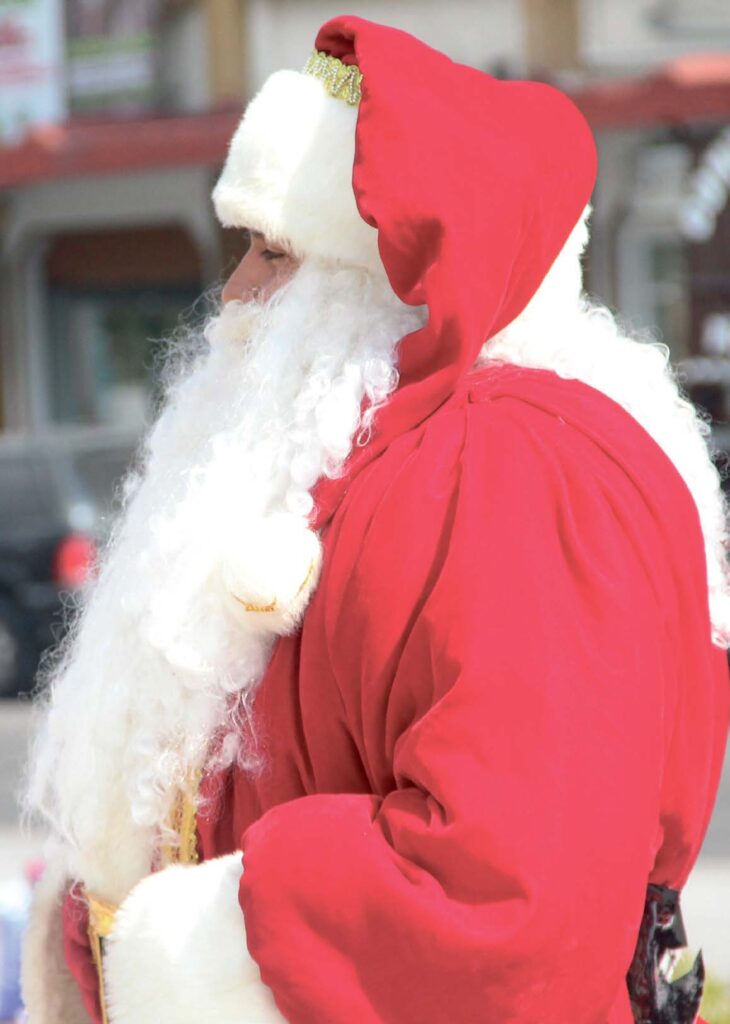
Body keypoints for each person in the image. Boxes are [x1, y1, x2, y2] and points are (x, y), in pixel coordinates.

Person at [21, 15, 729, 1024]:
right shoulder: (379, 458)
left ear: (398, 280)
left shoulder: (510, 467)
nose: (233, 295)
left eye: (271, 252)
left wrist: (182, 949)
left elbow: (503, 898)